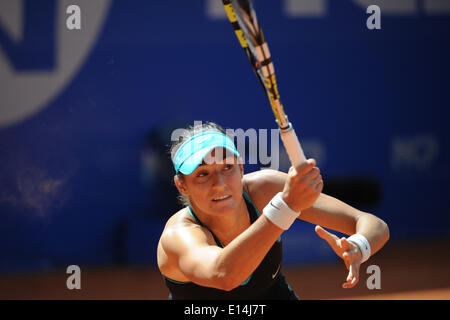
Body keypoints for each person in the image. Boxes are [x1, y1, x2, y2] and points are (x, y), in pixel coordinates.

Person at [157, 121, 389, 300]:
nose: (219, 183)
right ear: (181, 185)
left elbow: (372, 223)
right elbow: (224, 275)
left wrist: (360, 246)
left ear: (240, 167)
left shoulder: (266, 189)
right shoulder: (178, 236)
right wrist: (286, 206)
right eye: (202, 174)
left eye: (227, 167)